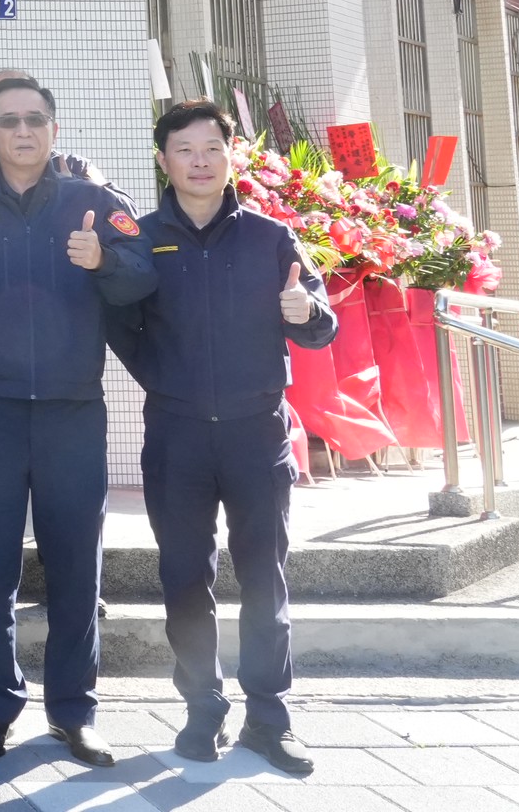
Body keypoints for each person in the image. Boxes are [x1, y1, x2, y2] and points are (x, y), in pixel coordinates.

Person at [0, 76, 155, 766]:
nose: (23, 131)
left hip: (70, 411)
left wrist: (102, 261)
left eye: (35, 120)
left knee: (76, 566)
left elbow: (143, 279)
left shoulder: (94, 204)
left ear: (54, 129)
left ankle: (74, 711)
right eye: (9, 121)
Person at [108, 101, 334, 778]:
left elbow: (321, 324)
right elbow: (120, 325)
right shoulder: (141, 239)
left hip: (255, 432)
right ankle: (202, 707)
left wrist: (306, 310)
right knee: (184, 577)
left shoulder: (271, 237)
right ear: (163, 160)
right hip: (176, 435)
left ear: (231, 156)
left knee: (264, 577)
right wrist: (166, 380)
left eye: (212, 148)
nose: (200, 161)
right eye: (185, 149)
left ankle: (269, 717)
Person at [0, 68, 112, 190]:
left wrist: (79, 192)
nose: (23, 131)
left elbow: (120, 211)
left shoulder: (76, 167)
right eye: (9, 118)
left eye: (34, 118)